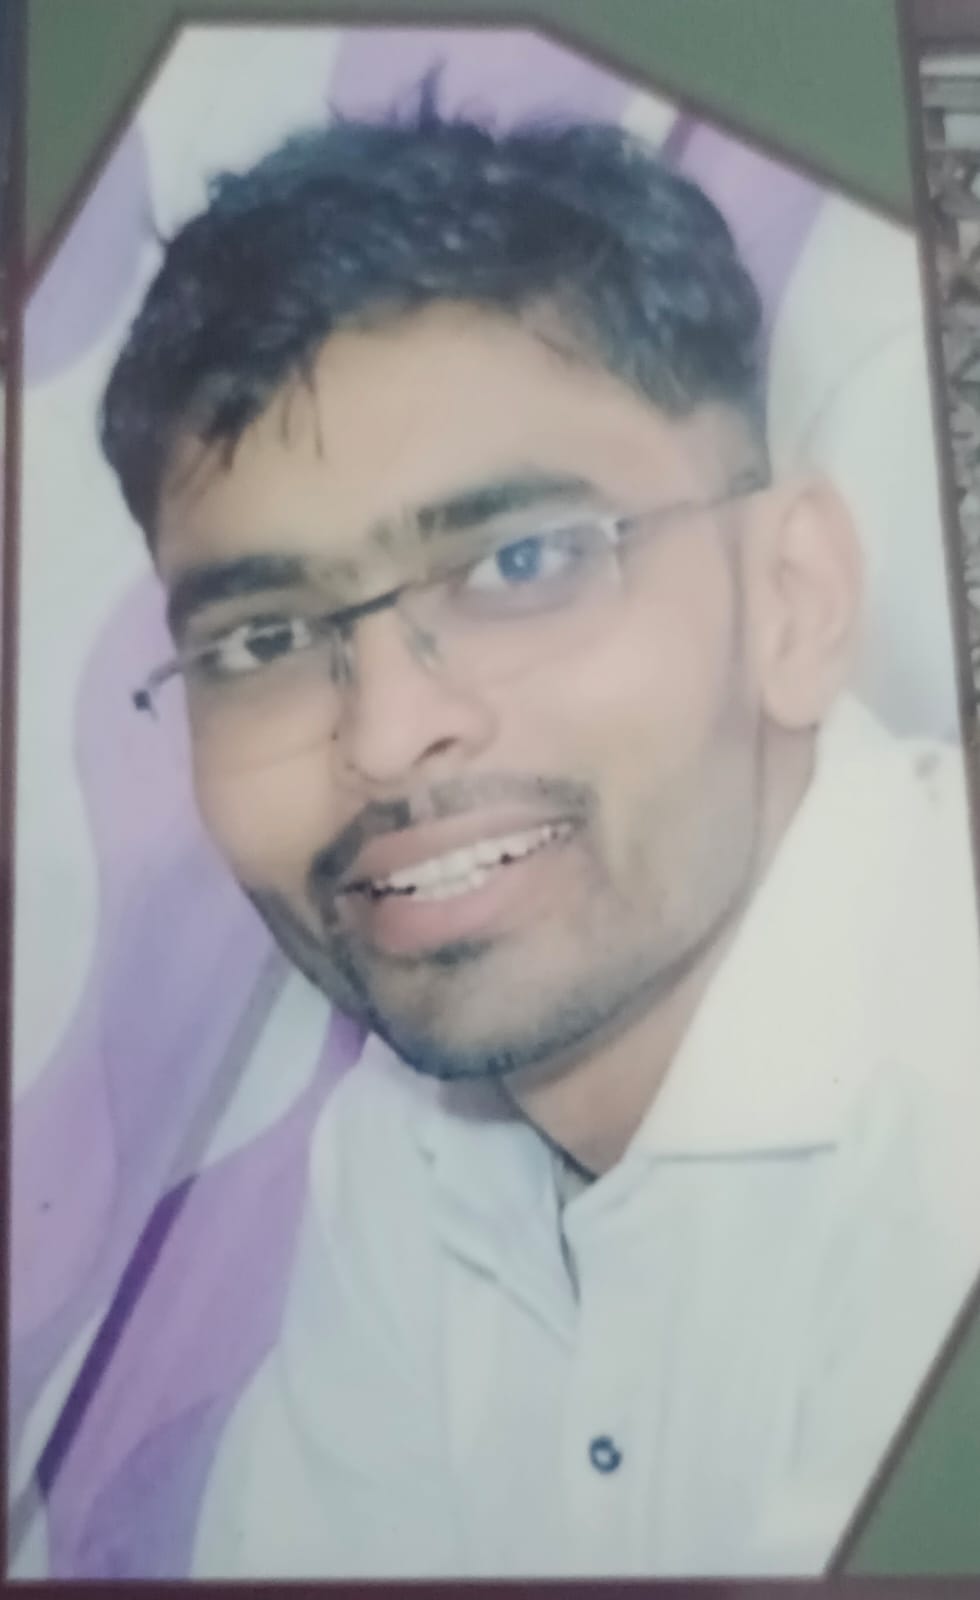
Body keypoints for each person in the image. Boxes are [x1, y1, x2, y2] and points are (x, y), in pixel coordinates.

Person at [98, 88, 980, 1578]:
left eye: (520, 562)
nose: (385, 735)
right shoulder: (410, 1142)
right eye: (263, 641)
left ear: (794, 599)